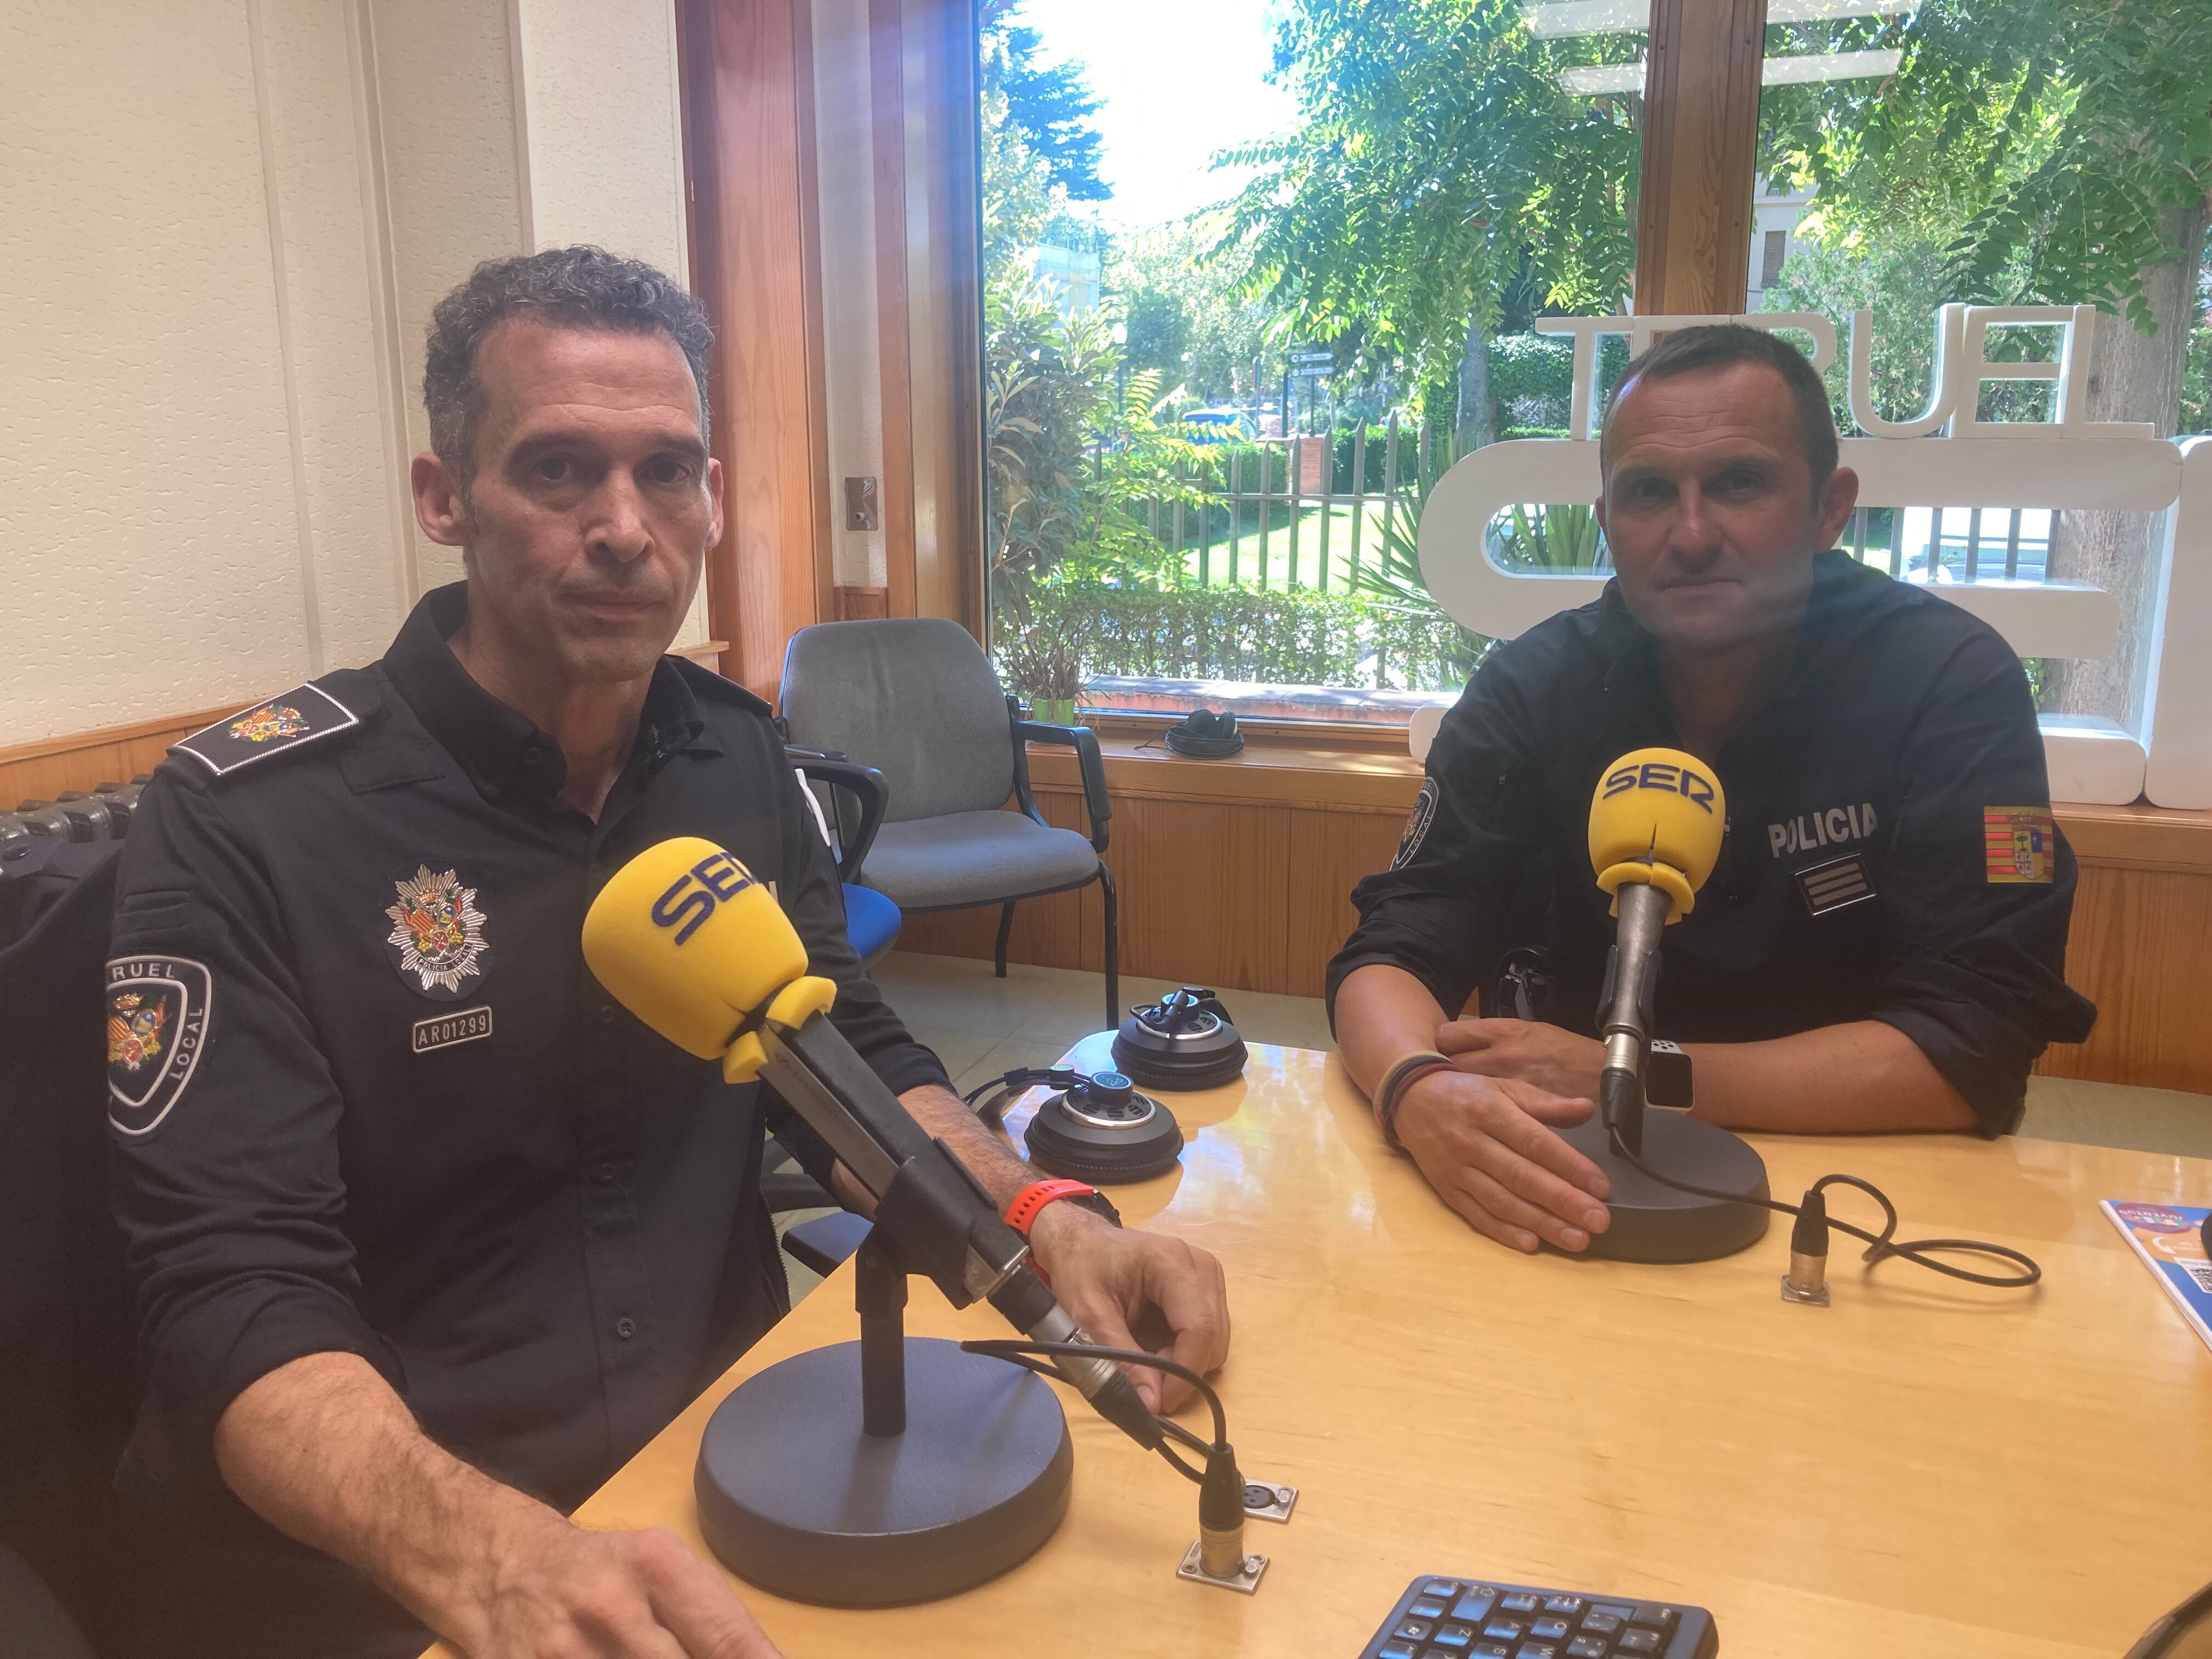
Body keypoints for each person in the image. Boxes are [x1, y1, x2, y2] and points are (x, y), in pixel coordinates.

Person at [105, 246, 1231, 1659]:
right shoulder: (248, 821)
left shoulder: (739, 757)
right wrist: (484, 1555)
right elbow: (229, 1296)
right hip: (403, 1564)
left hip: (724, 1469)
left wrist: (1038, 1214)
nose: (627, 527)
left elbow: (849, 1055)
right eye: (559, 470)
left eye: (669, 473)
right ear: (443, 497)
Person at [1329, 323, 2096, 1257]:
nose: (1691, 535)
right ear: (1609, 520)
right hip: (1553, 1189)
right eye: (1651, 493)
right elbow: (1395, 948)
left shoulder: (1952, 682)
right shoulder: (1531, 688)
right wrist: (1416, 1087)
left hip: (1859, 1200)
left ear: (1828, 506)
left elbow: (1975, 1043)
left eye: (1738, 483)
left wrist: (1645, 1072)